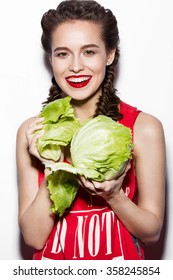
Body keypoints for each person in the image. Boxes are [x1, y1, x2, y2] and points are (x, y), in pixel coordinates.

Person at [16, 0, 166, 260]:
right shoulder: (33, 132)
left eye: (89, 52)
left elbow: (151, 232)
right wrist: (52, 166)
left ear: (109, 54)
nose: (75, 66)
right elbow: (33, 237)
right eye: (63, 53)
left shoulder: (144, 128)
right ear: (50, 58)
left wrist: (114, 196)